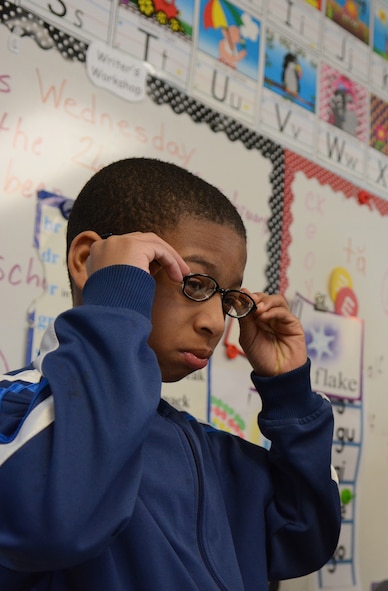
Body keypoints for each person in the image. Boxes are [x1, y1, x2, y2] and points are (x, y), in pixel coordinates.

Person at [0, 158, 341, 590]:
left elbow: (302, 536)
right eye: (196, 284)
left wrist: (290, 393)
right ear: (89, 261)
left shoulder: (206, 450)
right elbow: (57, 525)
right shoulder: (15, 412)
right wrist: (115, 300)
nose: (216, 323)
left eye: (227, 298)